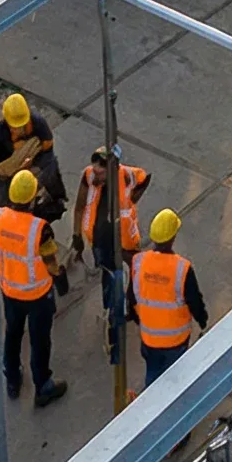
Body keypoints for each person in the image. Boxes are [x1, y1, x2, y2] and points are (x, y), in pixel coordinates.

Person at [72, 145, 151, 364]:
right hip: (100, 245)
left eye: (102, 165)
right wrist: (77, 236)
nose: (96, 168)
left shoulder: (127, 176)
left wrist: (132, 200)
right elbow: (79, 207)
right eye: (95, 162)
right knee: (112, 282)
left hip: (126, 244)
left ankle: (130, 308)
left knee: (132, 276)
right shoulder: (88, 177)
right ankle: (113, 317)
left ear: (115, 166)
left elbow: (144, 179)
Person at [0, 169, 68, 406]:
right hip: (37, 295)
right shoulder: (40, 229)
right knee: (40, 342)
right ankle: (43, 386)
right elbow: (50, 262)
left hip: (9, 291)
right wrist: (60, 276)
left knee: (13, 334)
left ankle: (13, 379)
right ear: (33, 198)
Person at [129, 208, 208, 388]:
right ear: (173, 237)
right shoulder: (182, 268)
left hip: (149, 340)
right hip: (175, 341)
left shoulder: (139, 262)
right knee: (177, 382)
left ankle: (151, 409)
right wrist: (203, 320)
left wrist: (142, 321)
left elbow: (131, 298)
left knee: (153, 378)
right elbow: (194, 301)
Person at [0, 92, 65, 219]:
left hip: (33, 162)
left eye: (20, 126)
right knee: (0, 193)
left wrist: (34, 166)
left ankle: (56, 200)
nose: (16, 129)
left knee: (50, 168)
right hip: (6, 175)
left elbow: (48, 150)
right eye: (13, 126)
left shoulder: (38, 124)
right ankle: (8, 215)